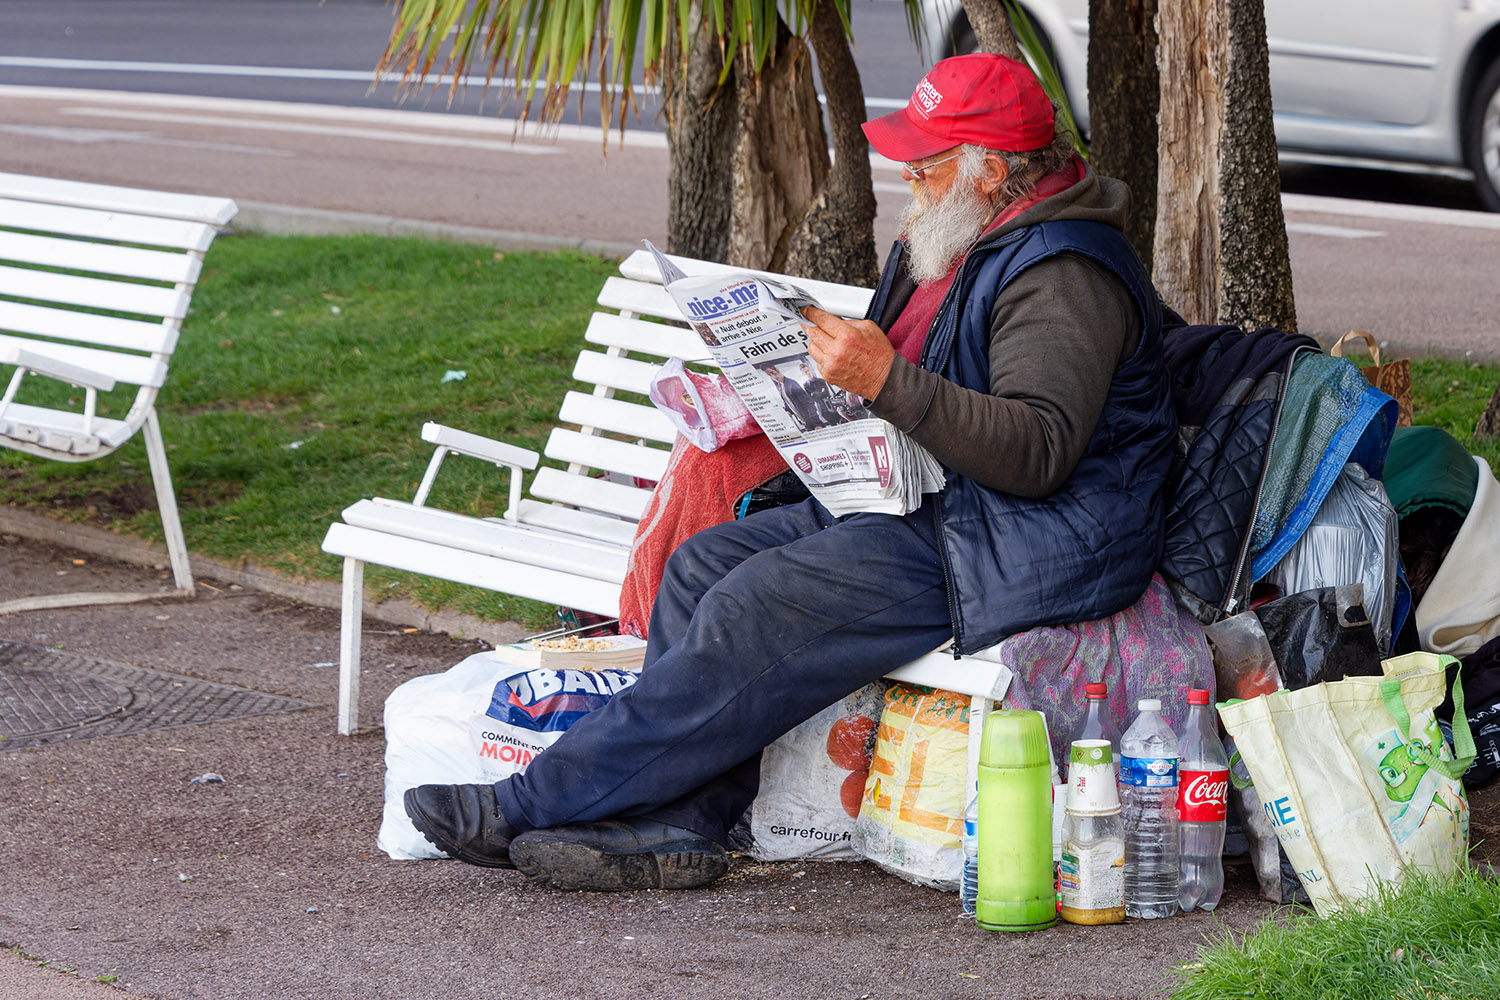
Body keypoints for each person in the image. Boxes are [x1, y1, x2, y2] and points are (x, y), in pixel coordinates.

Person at [403, 53, 1177, 892]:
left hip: (1026, 535)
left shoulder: (1062, 271)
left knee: (755, 602)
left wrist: (884, 381)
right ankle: (680, 825)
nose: (907, 174)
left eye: (927, 162)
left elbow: (1036, 451)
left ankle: (532, 801)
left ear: (990, 171)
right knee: (705, 562)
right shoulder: (962, 237)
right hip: (933, 497)